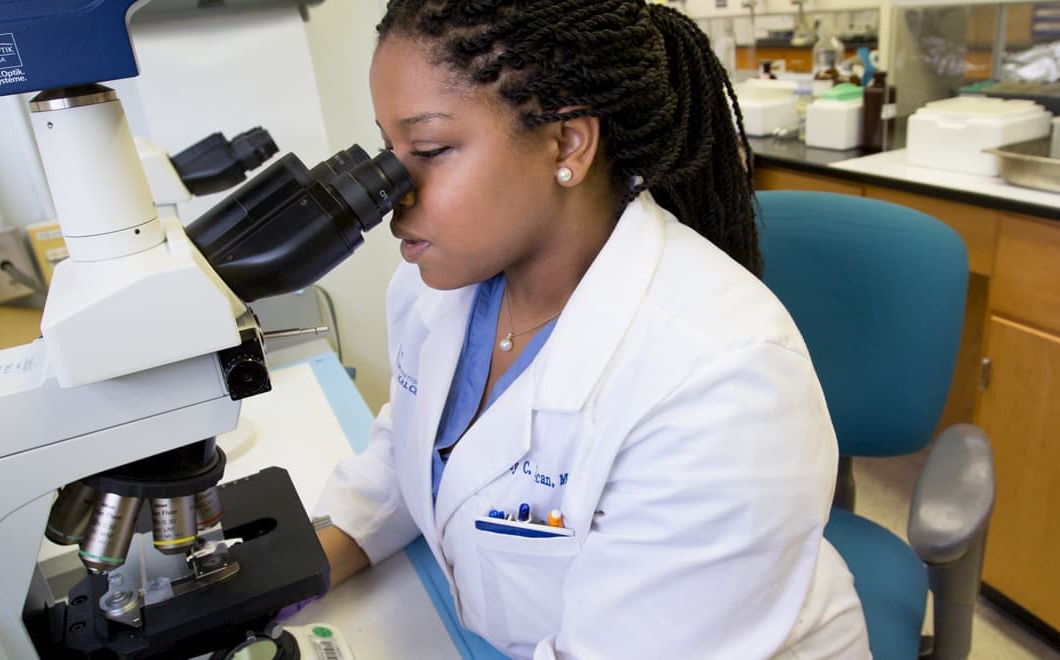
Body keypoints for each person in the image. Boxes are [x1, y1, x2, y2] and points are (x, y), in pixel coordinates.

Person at [313, 1, 869, 657]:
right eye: (388, 150)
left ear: (567, 142)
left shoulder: (725, 379)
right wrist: (292, 571)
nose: (393, 194)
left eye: (430, 149)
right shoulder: (436, 286)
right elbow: (415, 443)